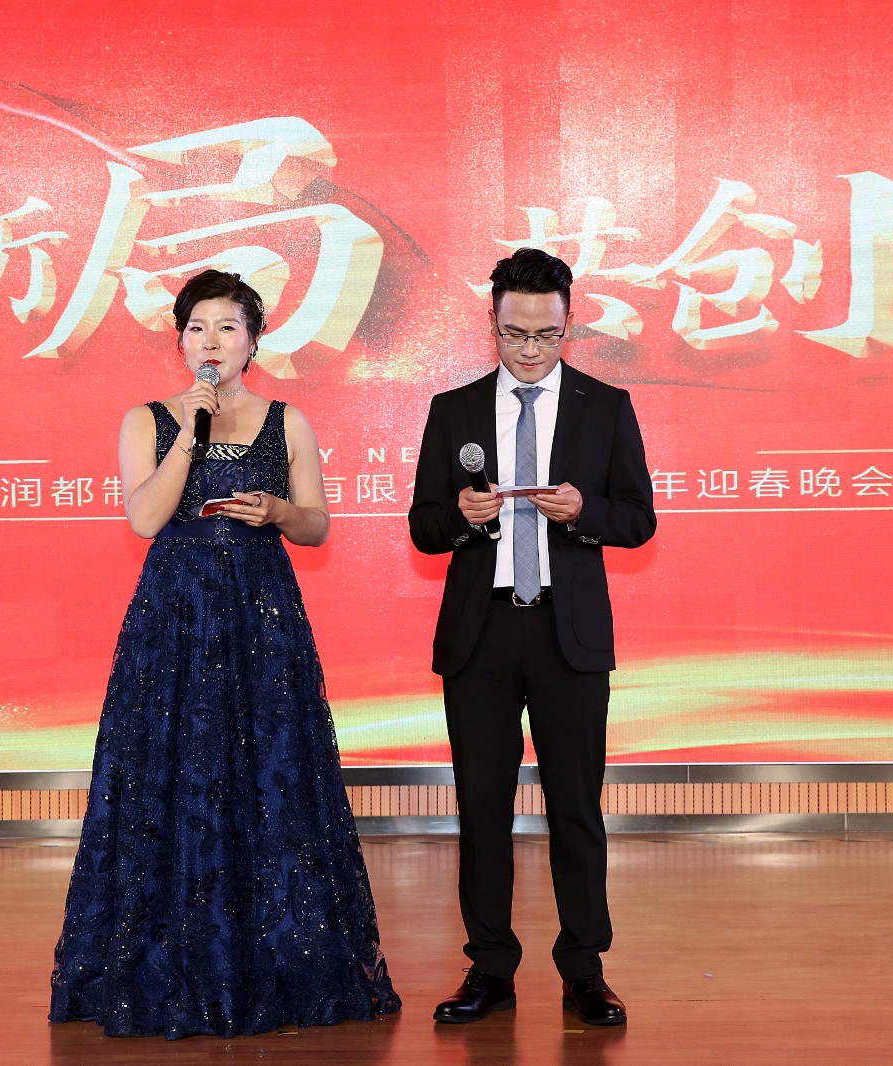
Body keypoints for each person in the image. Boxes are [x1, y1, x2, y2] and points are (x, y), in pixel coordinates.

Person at [49, 269, 400, 1039]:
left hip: (260, 617)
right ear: (180, 339)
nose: (211, 341)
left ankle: (276, 954)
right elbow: (146, 518)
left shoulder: (287, 421)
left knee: (269, 769)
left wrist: (278, 511)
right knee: (173, 773)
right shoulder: (147, 420)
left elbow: (317, 526)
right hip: (175, 623)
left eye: (228, 327)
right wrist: (191, 434)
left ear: (254, 340)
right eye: (197, 327)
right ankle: (166, 956)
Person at [408, 248, 656, 1027]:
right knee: (482, 809)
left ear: (568, 324)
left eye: (546, 335)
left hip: (566, 633)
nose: (529, 349)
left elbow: (639, 519)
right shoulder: (454, 409)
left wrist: (585, 512)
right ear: (492, 323)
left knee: (575, 808)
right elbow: (423, 526)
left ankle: (585, 971)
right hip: (480, 635)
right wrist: (460, 518)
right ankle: (490, 969)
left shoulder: (604, 406)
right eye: (514, 333)